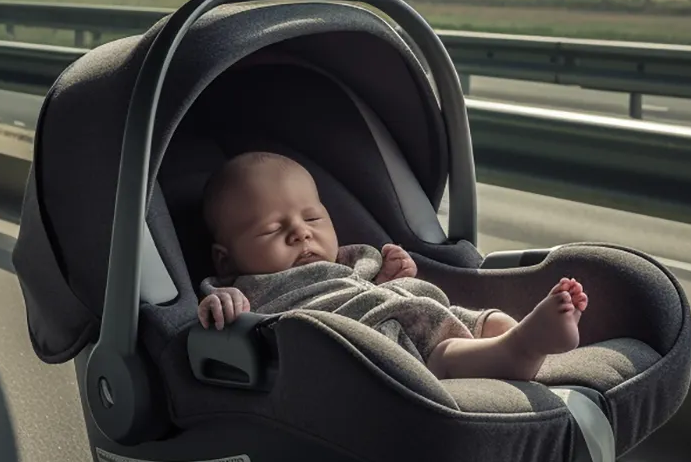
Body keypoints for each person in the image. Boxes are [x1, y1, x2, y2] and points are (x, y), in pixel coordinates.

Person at [197, 151, 590, 381]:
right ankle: (519, 349)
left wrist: (388, 276)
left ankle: (512, 334)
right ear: (224, 256)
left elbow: (365, 284)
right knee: (441, 352)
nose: (301, 235)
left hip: (409, 305)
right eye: (272, 230)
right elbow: (217, 310)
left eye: (312, 219)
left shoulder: (349, 259)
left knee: (480, 319)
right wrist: (224, 303)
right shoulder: (240, 286)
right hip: (372, 341)